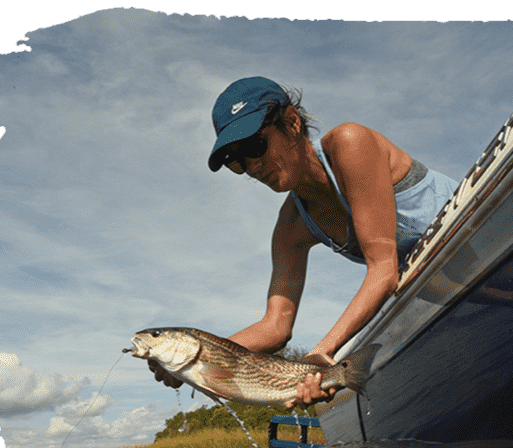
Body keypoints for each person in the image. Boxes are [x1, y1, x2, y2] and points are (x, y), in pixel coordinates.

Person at [149, 76, 459, 409]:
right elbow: (276, 325)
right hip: (446, 289)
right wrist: (193, 356)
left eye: (256, 146)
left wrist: (321, 354)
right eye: (236, 161)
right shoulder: (291, 227)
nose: (253, 167)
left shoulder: (349, 143)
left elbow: (384, 270)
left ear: (292, 123)